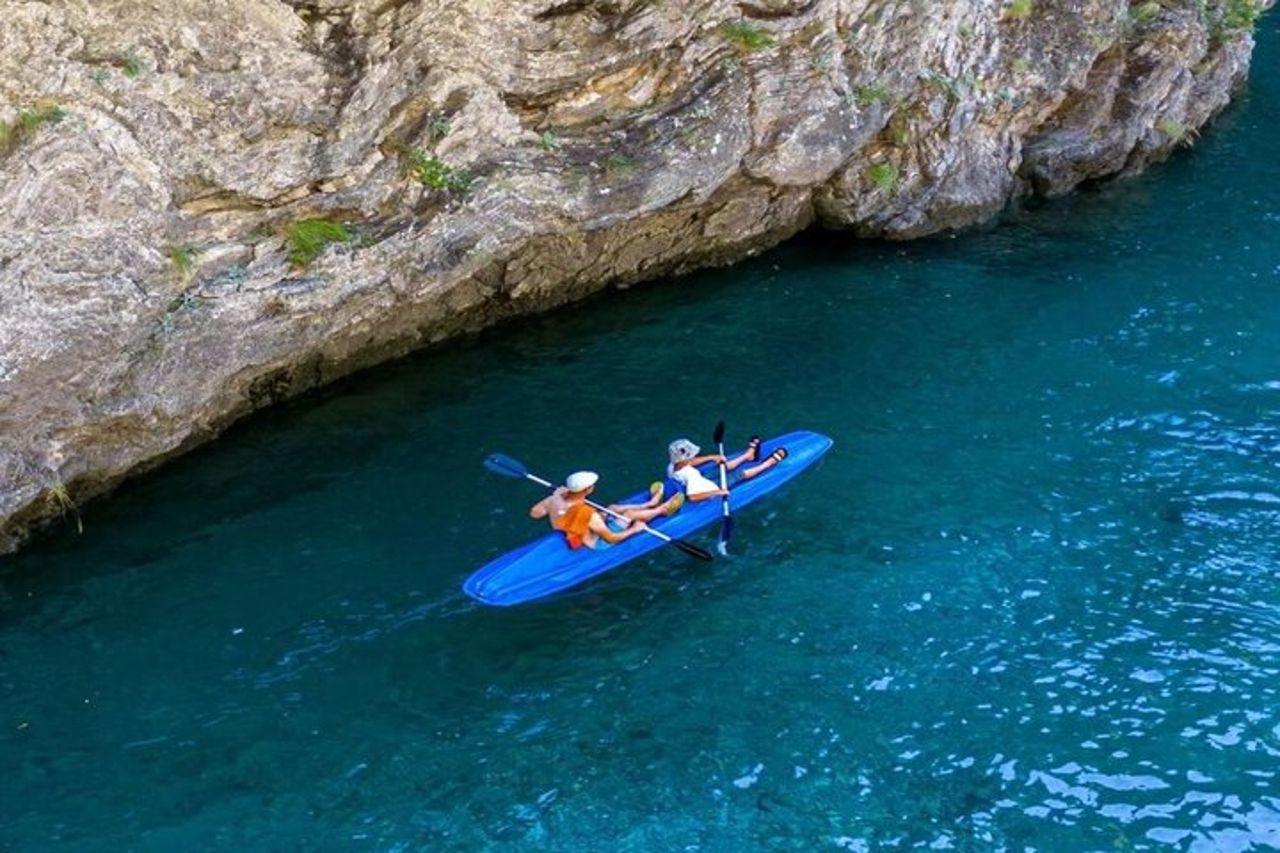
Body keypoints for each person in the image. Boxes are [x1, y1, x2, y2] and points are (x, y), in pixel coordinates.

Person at [530, 470, 684, 550]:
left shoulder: (552, 500)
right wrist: (635, 529)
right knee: (629, 516)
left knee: (612, 508)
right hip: (596, 543)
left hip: (577, 528)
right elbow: (610, 539)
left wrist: (558, 498)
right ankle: (662, 510)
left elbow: (535, 513)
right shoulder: (589, 515)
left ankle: (649, 504)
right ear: (588, 489)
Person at [666, 436, 787, 502]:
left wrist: (711, 457)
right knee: (739, 474)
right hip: (709, 486)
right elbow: (693, 497)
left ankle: (748, 455)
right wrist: (718, 492)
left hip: (702, 477)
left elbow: (690, 463)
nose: (694, 456)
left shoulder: (673, 466)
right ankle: (767, 464)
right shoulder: (692, 479)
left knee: (724, 465)